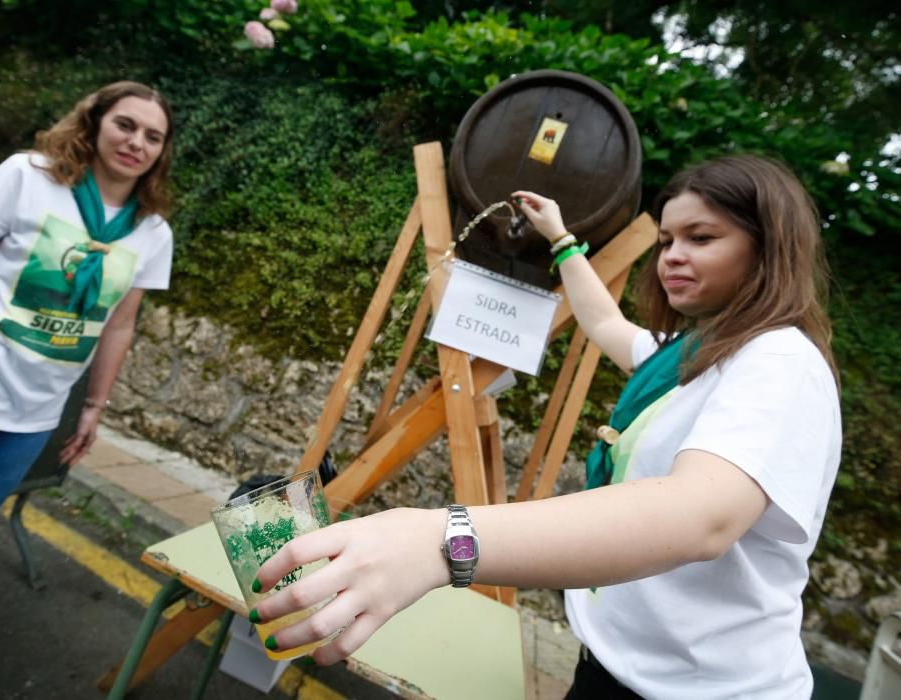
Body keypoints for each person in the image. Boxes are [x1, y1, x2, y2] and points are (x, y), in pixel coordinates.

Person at [248, 155, 841, 698]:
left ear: (769, 247)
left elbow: (701, 516)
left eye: (701, 237)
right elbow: (606, 323)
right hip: (621, 669)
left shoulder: (780, 362)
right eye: (664, 241)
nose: (671, 257)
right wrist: (559, 238)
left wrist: (443, 540)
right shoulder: (693, 351)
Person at [0, 81, 175, 638]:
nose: (136, 143)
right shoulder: (28, 177)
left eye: (153, 136)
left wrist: (93, 407)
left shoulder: (152, 231)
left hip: (33, 415)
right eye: (125, 124)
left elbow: (119, 324)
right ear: (96, 122)